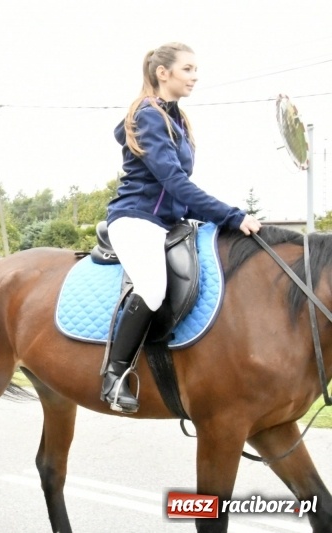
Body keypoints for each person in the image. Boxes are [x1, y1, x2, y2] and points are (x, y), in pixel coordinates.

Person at [102, 43, 261, 414]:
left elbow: (179, 195)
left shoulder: (178, 119)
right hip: (135, 218)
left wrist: (222, 220)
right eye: (187, 69)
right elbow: (174, 182)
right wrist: (231, 214)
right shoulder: (147, 115)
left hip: (168, 221)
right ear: (163, 73)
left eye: (195, 69)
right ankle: (114, 374)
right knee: (153, 288)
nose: (195, 76)